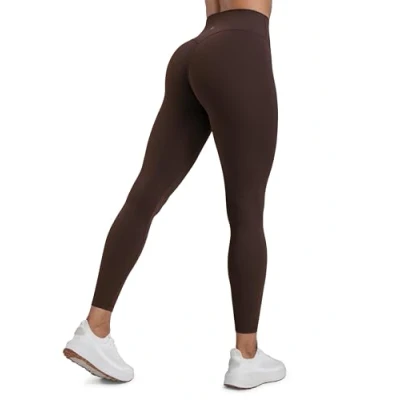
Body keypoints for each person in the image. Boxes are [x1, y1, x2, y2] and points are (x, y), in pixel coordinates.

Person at [63, 0, 286, 389]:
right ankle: (247, 356)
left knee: (144, 196)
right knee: (247, 212)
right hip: (241, 51)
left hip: (196, 50)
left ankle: (94, 329)